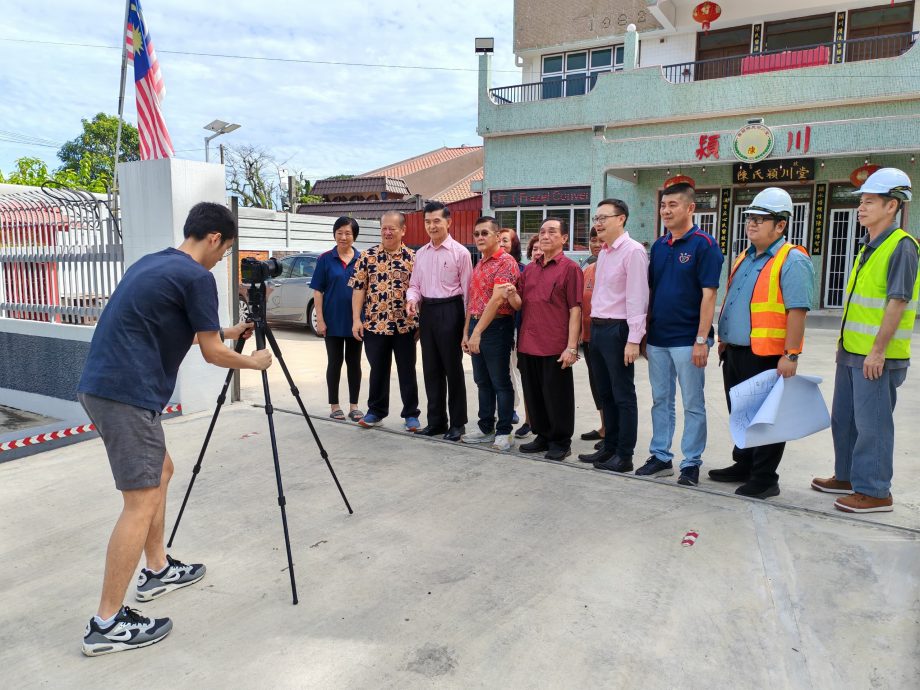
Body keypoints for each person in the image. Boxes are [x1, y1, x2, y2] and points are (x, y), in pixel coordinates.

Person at [78, 202, 272, 656]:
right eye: (224, 251)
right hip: (127, 394)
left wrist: (226, 329)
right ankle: (106, 623)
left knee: (161, 471)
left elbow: (175, 328)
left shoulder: (156, 263)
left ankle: (158, 569)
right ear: (213, 239)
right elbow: (210, 354)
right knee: (140, 501)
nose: (220, 260)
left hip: (106, 386)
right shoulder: (197, 277)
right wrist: (252, 360)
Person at [812, 168, 918, 513]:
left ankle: (874, 491)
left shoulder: (901, 247)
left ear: (892, 206)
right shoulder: (869, 247)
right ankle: (847, 476)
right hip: (852, 352)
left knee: (872, 425)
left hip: (877, 356)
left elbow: (897, 303)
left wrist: (878, 351)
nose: (861, 207)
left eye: (869, 201)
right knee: (844, 419)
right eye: (861, 201)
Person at [712, 187, 815, 499]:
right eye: (749, 218)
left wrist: (792, 354)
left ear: (781, 225)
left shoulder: (792, 259)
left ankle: (765, 478)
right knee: (741, 414)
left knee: (765, 419)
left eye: (760, 219)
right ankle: (743, 464)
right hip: (736, 351)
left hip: (768, 355)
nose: (752, 224)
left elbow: (797, 310)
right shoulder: (744, 256)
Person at [639, 183, 723, 486]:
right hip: (659, 338)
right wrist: (646, 333)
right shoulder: (660, 247)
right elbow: (651, 290)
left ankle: (691, 463)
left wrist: (702, 339)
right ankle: (661, 456)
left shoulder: (705, 245)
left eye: (673, 205)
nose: (666, 210)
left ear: (690, 208)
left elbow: (709, 295)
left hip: (689, 340)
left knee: (692, 403)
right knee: (661, 400)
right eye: (663, 205)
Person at [577, 200, 650, 473]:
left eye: (603, 217)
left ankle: (624, 454)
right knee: (604, 393)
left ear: (621, 219)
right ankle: (609, 447)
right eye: (596, 217)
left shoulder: (633, 252)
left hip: (618, 330)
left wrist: (633, 339)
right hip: (597, 328)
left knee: (622, 395)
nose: (598, 223)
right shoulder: (605, 253)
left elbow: (637, 298)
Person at [507, 218, 583, 461]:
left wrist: (572, 347)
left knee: (557, 396)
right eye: (542, 232)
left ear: (564, 238)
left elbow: (575, 310)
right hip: (529, 343)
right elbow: (519, 303)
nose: (545, 236)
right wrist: (509, 294)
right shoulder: (530, 269)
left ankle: (561, 441)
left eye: (552, 232)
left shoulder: (570, 269)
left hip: (554, 344)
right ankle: (542, 435)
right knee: (534, 393)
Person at [406, 201, 472, 442]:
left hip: (451, 311)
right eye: (428, 221)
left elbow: (468, 293)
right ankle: (435, 421)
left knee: (452, 370)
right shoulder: (420, 254)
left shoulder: (460, 253)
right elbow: (415, 285)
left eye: (437, 221)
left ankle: (457, 424)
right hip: (428, 313)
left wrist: (466, 329)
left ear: (448, 222)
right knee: (431, 370)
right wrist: (411, 300)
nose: (432, 226)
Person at [349, 211, 421, 431]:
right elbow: (358, 290)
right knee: (377, 370)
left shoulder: (413, 258)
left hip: (405, 326)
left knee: (407, 371)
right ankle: (375, 412)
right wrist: (356, 320)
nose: (388, 232)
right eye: (384, 228)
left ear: (403, 231)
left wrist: (421, 323)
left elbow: (420, 291)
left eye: (392, 228)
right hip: (375, 325)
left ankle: (411, 414)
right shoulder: (367, 256)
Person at [462, 217, 521, 451]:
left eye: (485, 233)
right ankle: (486, 427)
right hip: (476, 326)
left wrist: (477, 332)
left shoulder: (506, 263)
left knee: (500, 381)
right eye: (477, 234)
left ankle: (504, 431)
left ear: (498, 236)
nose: (480, 238)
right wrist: (467, 333)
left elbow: (497, 300)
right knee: (482, 381)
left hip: (496, 328)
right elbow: (473, 302)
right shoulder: (480, 263)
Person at [311, 217, 364, 422]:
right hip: (332, 321)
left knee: (354, 363)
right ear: (334, 234)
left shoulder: (362, 259)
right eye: (340, 232)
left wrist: (360, 319)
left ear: (354, 236)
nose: (343, 237)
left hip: (355, 322)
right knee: (335, 362)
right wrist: (320, 320)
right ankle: (334, 405)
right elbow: (318, 292)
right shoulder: (325, 259)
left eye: (348, 233)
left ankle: (354, 405)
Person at [579, 227, 606, 444]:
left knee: (609, 384)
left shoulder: (614, 267)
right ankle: (604, 426)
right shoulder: (588, 270)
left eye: (600, 240)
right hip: (588, 337)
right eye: (593, 240)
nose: (596, 244)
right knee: (596, 382)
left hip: (609, 335)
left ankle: (613, 430)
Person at [499, 227, 526, 432]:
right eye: (498, 240)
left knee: (512, 369)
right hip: (493, 328)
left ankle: (512, 408)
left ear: (514, 244)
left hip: (514, 328)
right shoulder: (486, 266)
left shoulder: (522, 269)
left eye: (505, 241)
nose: (501, 245)